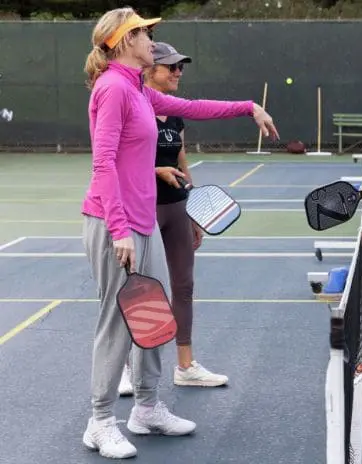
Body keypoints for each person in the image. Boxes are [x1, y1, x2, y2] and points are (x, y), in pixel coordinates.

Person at [81, 7, 278, 459]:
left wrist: (248, 107)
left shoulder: (137, 90)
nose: (153, 39)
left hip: (142, 219)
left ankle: (146, 408)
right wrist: (119, 230)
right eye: (145, 33)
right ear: (124, 42)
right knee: (118, 321)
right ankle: (100, 420)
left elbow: (191, 108)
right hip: (115, 222)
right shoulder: (112, 88)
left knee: (151, 314)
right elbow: (103, 163)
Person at [117, 42, 228, 398]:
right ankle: (124, 367)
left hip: (178, 207)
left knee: (183, 286)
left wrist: (195, 210)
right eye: (172, 67)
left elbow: (182, 161)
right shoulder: (133, 105)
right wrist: (154, 172)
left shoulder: (175, 115)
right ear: (151, 69)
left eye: (181, 67)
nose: (179, 73)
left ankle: (186, 366)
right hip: (142, 209)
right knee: (138, 290)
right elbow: (118, 163)